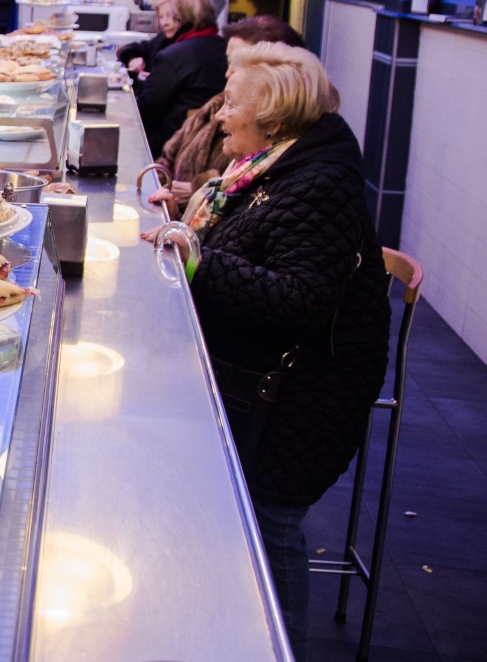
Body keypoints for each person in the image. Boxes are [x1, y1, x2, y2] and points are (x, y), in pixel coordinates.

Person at [147, 43, 390, 662]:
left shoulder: (320, 183)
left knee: (273, 526)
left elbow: (300, 299)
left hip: (303, 396)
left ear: (274, 120)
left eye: (231, 105)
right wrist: (190, 215)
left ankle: (275, 647)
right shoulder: (267, 166)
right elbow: (255, 241)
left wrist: (198, 256)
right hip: (260, 375)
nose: (219, 116)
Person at [150, 16, 307, 215]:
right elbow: (169, 155)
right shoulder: (217, 103)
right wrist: (162, 182)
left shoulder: (267, 137)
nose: (228, 73)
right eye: (228, 61)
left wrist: (194, 194)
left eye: (239, 64)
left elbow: (240, 212)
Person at [136, 0, 226, 157]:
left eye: (171, 16)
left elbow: (145, 111)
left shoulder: (174, 56)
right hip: (217, 146)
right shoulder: (227, 48)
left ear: (181, 18)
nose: (166, 22)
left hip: (173, 145)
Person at [120, 0, 182, 75]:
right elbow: (132, 48)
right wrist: (133, 59)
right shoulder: (163, 38)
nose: (164, 23)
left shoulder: (189, 46)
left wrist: (152, 79)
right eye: (161, 17)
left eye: (169, 16)